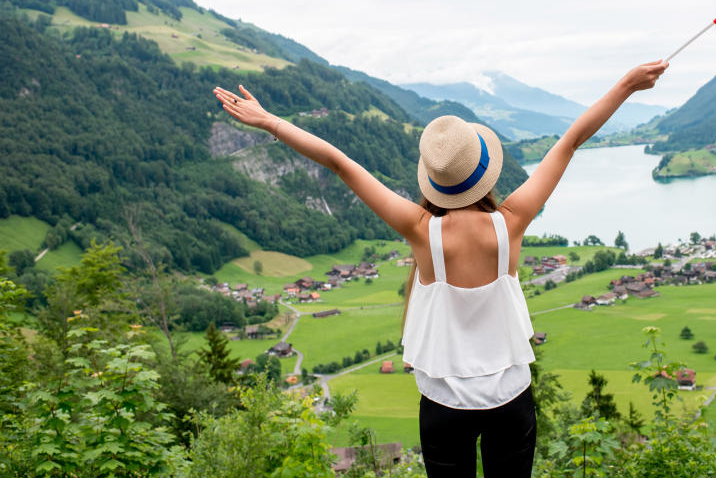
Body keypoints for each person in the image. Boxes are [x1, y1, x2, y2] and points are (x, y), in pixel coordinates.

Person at [212, 58, 668, 477]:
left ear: (434, 178)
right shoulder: (512, 222)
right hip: (510, 399)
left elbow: (339, 162)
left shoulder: (419, 229)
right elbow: (570, 141)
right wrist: (627, 84)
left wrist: (270, 121)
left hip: (444, 404)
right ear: (484, 169)